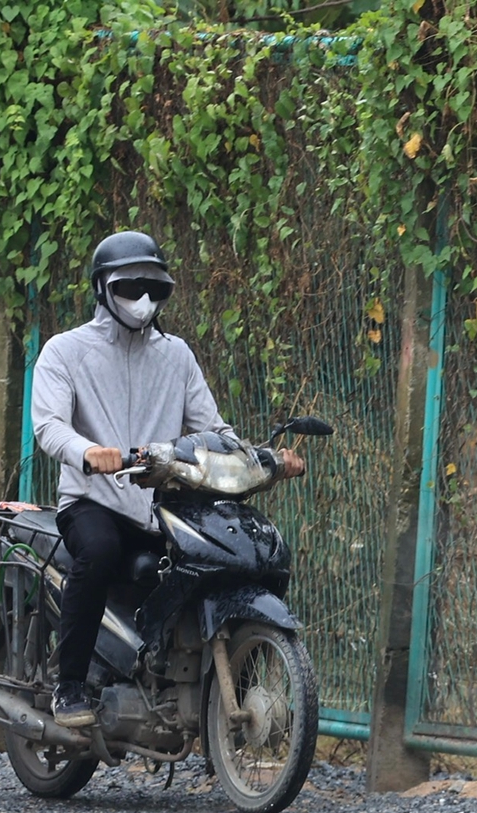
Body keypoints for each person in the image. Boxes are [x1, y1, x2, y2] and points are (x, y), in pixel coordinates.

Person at [31, 230, 301, 729]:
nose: (144, 300)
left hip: (161, 504)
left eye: (156, 289)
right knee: (100, 552)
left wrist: (263, 459)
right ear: (102, 288)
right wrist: (88, 452)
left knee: (226, 555)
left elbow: (212, 428)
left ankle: (190, 686)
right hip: (93, 500)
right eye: (131, 287)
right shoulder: (64, 352)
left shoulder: (176, 355)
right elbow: (48, 425)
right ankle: (69, 686)